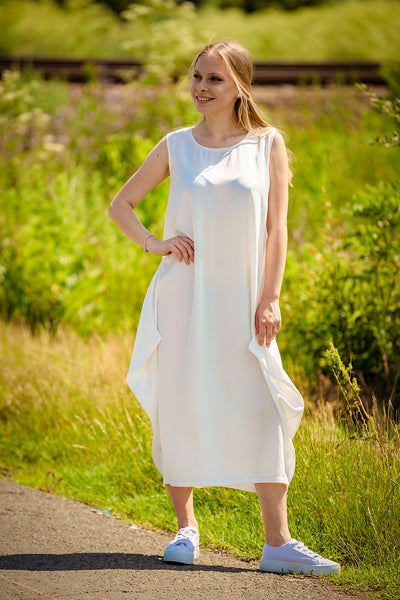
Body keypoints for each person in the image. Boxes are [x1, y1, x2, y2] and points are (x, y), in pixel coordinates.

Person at [108, 40, 340, 576]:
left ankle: (277, 544)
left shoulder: (268, 144)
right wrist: (153, 243)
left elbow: (276, 228)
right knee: (181, 401)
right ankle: (186, 530)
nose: (201, 88)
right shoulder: (175, 145)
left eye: (214, 78)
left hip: (244, 301)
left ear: (239, 84)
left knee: (263, 405)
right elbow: (121, 205)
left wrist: (271, 297)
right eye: (196, 77)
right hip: (184, 296)